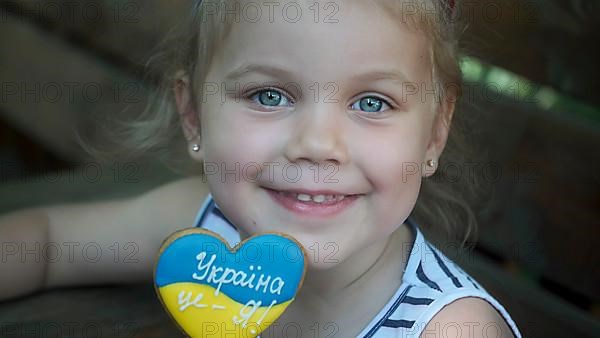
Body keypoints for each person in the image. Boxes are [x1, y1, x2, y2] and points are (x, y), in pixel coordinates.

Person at [0, 0, 522, 337]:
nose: (318, 144)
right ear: (193, 115)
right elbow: (45, 243)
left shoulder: (447, 329)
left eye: (372, 102)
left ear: (435, 132)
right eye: (268, 95)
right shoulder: (203, 229)